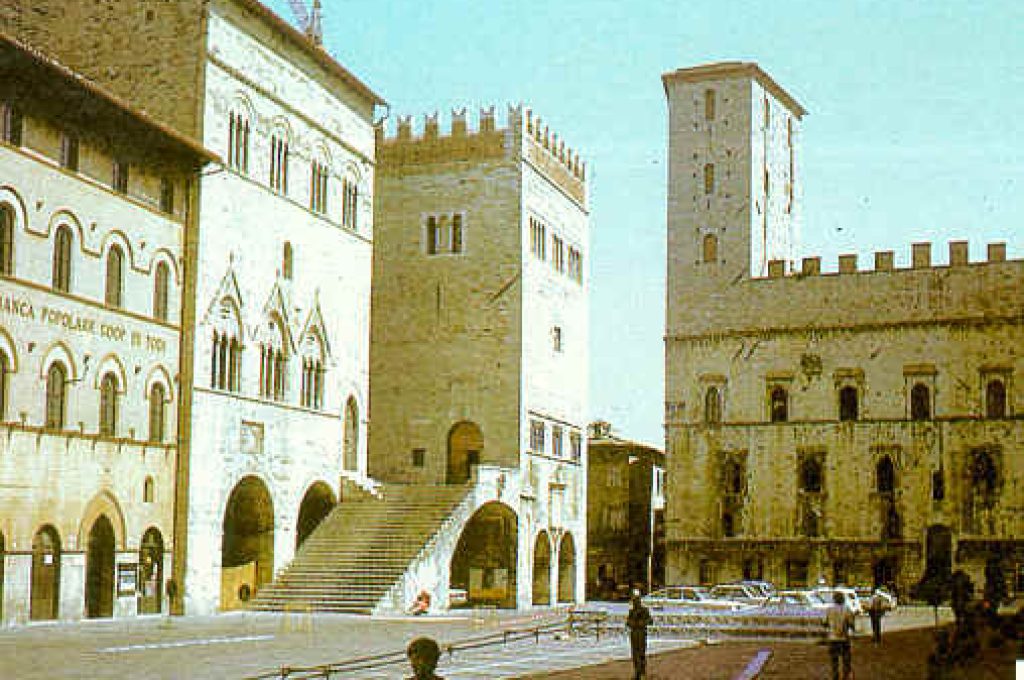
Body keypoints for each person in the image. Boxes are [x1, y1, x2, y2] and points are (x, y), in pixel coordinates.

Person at [825, 590, 855, 680]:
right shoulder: (847, 609)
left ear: (834, 599)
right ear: (843, 599)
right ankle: (845, 676)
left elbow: (825, 622)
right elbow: (851, 623)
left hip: (832, 638)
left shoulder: (829, 609)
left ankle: (835, 676)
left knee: (834, 661)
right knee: (846, 660)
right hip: (844, 638)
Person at [625, 589, 652, 680]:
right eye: (634, 600)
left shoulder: (644, 610)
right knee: (635, 655)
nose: (635, 602)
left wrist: (642, 623)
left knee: (641, 654)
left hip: (641, 634)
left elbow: (650, 620)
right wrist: (631, 623)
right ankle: (637, 672)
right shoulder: (631, 611)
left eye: (636, 600)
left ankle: (642, 673)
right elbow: (628, 622)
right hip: (634, 634)